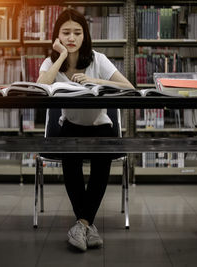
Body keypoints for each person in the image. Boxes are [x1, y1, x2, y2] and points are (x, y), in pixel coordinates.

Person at [37, 8, 134, 252]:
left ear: (85, 35)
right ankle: (87, 226)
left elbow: (128, 87)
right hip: (70, 127)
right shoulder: (51, 62)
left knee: (101, 162)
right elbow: (39, 89)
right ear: (57, 36)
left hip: (101, 127)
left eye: (77, 33)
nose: (71, 38)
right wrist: (60, 58)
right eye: (66, 33)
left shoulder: (97, 59)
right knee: (71, 164)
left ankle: (81, 224)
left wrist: (97, 81)